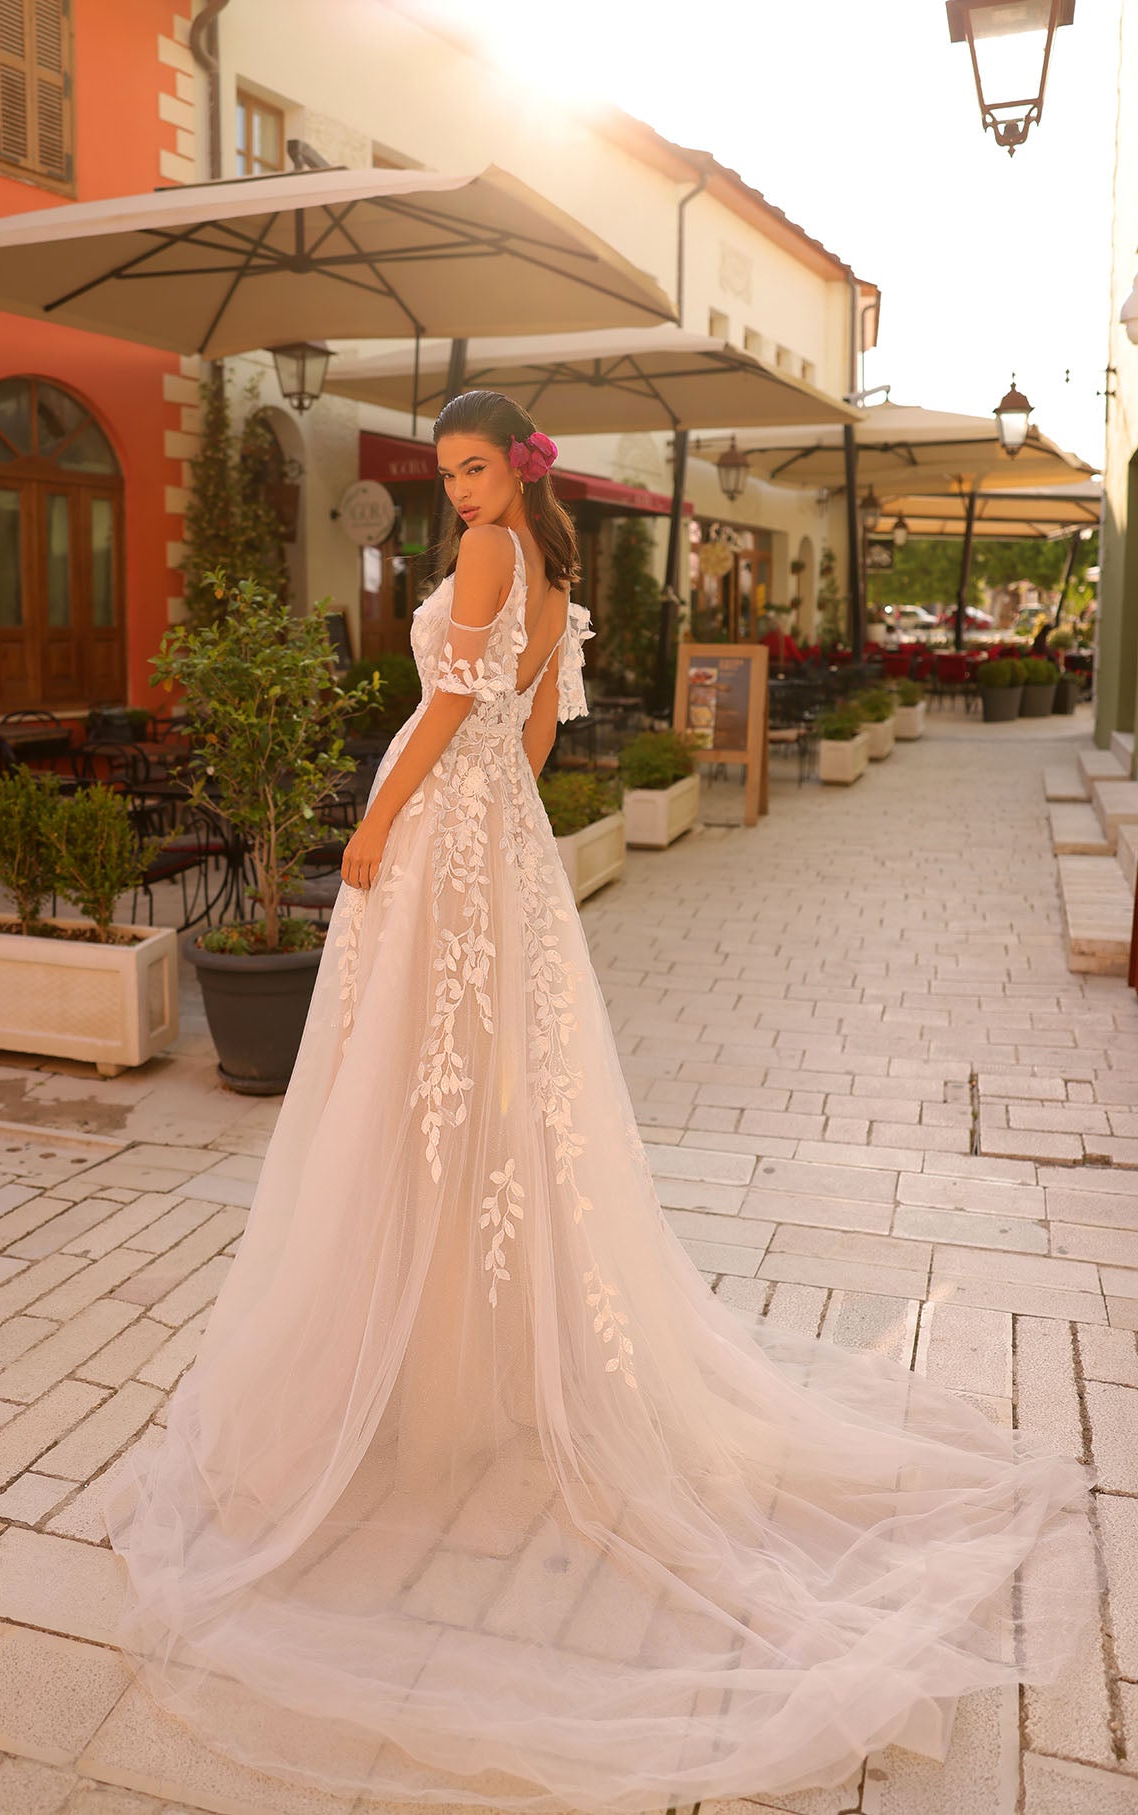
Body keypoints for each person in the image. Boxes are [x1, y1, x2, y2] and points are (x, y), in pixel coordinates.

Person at [104, 389, 1096, 1814]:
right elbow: (539, 731)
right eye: (443, 476)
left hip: (444, 830)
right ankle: (474, 1362)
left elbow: (455, 698)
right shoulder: (556, 566)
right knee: (485, 1098)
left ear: (516, 465)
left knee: (429, 1092)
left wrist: (385, 823)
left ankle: (432, 1371)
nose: (456, 495)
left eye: (471, 470)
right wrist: (496, 829)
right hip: (488, 834)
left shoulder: (501, 560)